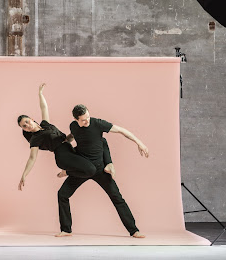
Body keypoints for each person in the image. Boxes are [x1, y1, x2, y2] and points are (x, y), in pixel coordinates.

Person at [55, 104, 149, 238]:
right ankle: (66, 230)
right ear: (76, 120)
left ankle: (134, 230)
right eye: (83, 120)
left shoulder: (98, 123)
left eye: (87, 117)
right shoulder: (73, 126)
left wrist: (139, 142)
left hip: (99, 169)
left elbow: (121, 130)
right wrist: (66, 140)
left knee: (117, 197)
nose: (87, 121)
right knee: (62, 194)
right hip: (82, 168)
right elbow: (72, 135)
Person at [17, 83, 115, 192]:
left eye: (27, 122)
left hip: (70, 149)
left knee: (101, 142)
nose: (27, 125)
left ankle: (109, 164)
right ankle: (66, 172)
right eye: (24, 126)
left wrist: (40, 94)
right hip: (62, 155)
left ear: (31, 119)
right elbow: (32, 158)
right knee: (91, 170)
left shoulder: (45, 124)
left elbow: (44, 107)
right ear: (24, 130)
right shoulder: (35, 139)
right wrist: (24, 174)